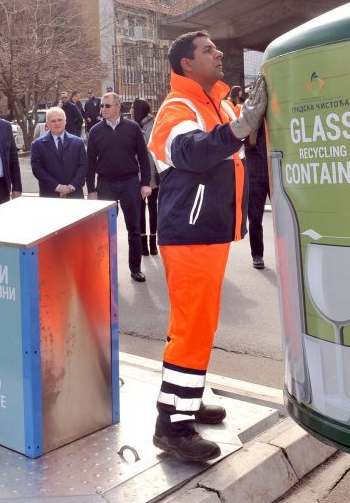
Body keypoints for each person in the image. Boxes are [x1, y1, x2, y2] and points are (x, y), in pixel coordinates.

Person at [148, 30, 267, 462]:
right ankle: (172, 427)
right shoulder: (176, 107)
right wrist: (240, 124)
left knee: (198, 326)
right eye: (208, 50)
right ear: (186, 65)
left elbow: (241, 132)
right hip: (190, 235)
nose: (218, 53)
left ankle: (188, 399)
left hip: (207, 232)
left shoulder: (216, 100)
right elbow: (191, 151)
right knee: (192, 328)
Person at [86, 91, 152, 281]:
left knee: (134, 228)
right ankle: (105, 269)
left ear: (118, 107)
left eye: (107, 106)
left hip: (130, 183)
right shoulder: (95, 131)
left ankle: (135, 268)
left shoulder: (133, 128)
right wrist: (91, 190)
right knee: (104, 231)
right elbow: (90, 162)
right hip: (105, 184)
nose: (103, 109)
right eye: (102, 106)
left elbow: (143, 158)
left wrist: (145, 183)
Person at [30, 107, 87, 198]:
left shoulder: (78, 142)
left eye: (60, 120)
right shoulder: (37, 145)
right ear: (47, 124)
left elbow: (83, 166)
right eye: (53, 121)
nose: (57, 123)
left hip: (74, 194)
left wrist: (71, 186)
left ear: (65, 121)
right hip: (50, 195)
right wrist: (58, 187)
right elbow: (37, 169)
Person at [131, 97, 159, 255]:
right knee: (139, 209)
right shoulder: (130, 124)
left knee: (153, 207)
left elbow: (149, 144)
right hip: (136, 172)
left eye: (133, 108)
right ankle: (143, 244)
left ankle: (153, 243)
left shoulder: (153, 123)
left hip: (151, 171)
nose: (131, 111)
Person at [246, 121, 269, 269]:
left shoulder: (278, 112)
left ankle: (288, 254)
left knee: (284, 218)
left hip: (275, 172)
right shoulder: (250, 113)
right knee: (255, 218)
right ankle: (257, 254)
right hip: (254, 172)